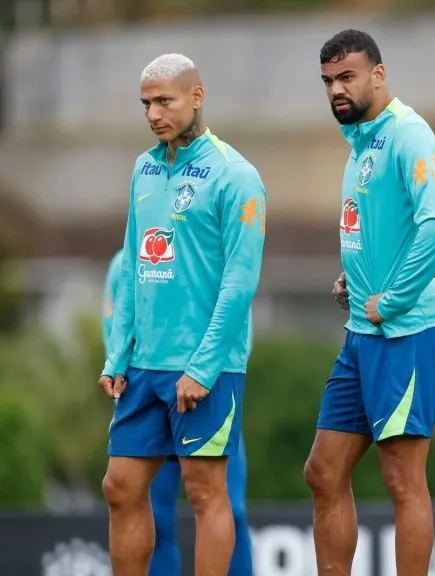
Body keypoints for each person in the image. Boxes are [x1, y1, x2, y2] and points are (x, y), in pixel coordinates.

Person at [99, 53, 268, 576]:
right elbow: (130, 264)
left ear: (196, 97)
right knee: (121, 486)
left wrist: (204, 366)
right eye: (146, 104)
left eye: (164, 101)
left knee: (205, 493)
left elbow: (241, 282)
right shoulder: (143, 167)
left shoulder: (236, 175)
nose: (153, 114)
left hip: (202, 367)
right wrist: (117, 354)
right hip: (144, 367)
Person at [302, 30, 435, 576]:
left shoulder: (408, 134)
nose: (336, 90)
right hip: (363, 332)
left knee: (401, 479)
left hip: (408, 329)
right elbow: (388, 230)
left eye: (347, 77)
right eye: (328, 82)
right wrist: (357, 279)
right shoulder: (362, 142)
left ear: (379, 74)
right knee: (323, 471)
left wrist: (391, 298)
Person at [101, 248, 254, 576]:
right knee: (156, 515)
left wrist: (206, 376)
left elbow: (237, 329)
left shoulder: (212, 258)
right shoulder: (122, 266)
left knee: (231, 511)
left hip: (205, 398)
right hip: (151, 408)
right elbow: (115, 336)